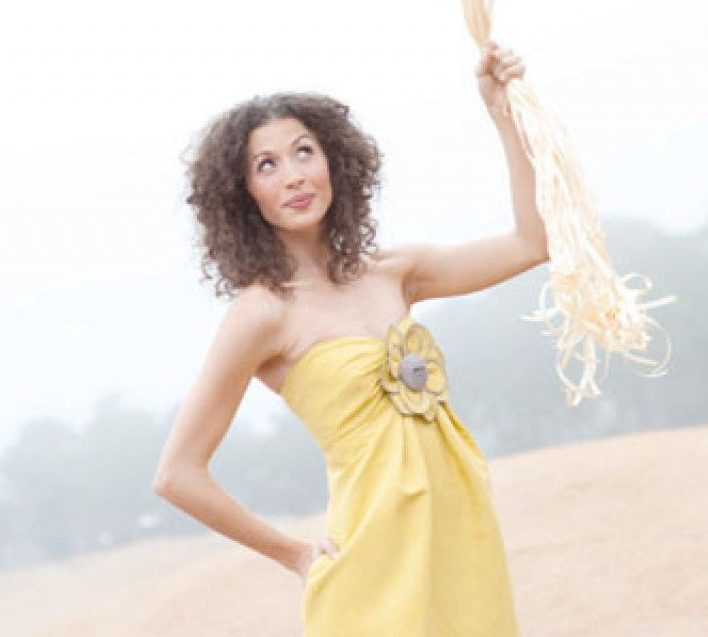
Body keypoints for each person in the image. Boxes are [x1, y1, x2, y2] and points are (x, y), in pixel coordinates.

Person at [152, 39, 548, 636]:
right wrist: (296, 555)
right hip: (371, 567)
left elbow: (532, 243)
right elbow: (177, 474)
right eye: (267, 165)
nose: (293, 176)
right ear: (245, 196)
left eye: (303, 152)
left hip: (460, 538)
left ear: (334, 161)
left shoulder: (394, 272)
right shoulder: (261, 314)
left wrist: (503, 112)